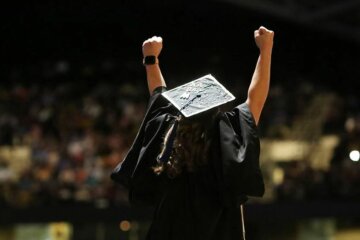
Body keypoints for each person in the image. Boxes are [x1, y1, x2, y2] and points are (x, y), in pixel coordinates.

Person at [111, 26, 274, 240]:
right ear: (216, 110)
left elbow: (158, 98)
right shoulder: (225, 141)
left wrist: (151, 59)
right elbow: (255, 100)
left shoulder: (166, 138)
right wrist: (265, 50)